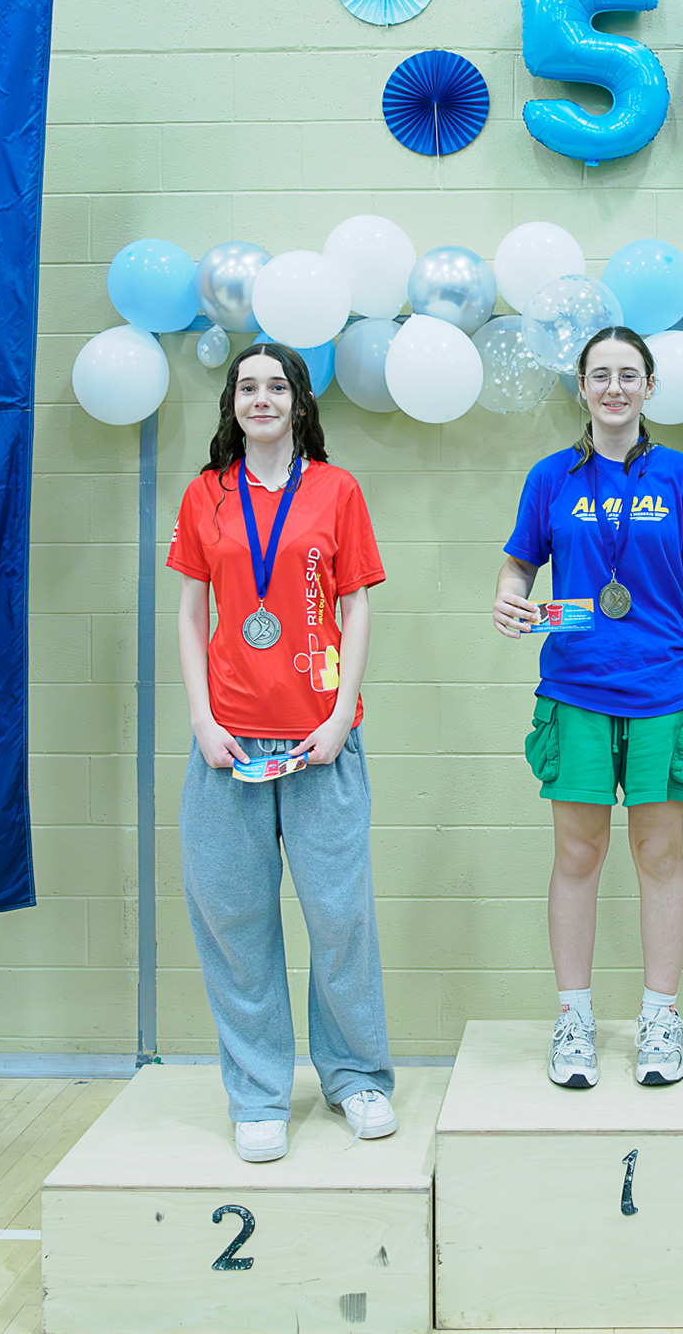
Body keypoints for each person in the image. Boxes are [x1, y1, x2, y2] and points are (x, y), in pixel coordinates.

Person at [168, 342, 395, 1163]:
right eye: (246, 387)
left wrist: (338, 717)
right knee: (234, 923)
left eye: (276, 387)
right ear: (232, 403)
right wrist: (201, 719)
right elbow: (191, 613)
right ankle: (258, 1093)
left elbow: (356, 608)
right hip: (228, 745)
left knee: (340, 920)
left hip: (320, 745)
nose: (260, 399)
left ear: (300, 402)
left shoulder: (336, 490)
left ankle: (356, 1076)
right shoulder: (206, 494)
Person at [491, 327, 683, 1089]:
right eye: (601, 375)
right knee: (576, 857)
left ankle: (660, 1016)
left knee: (660, 857)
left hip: (665, 690)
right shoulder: (550, 477)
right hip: (576, 690)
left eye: (629, 375)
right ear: (583, 388)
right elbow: (518, 566)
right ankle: (574, 1019)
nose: (615, 387)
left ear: (650, 388)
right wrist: (508, 599)